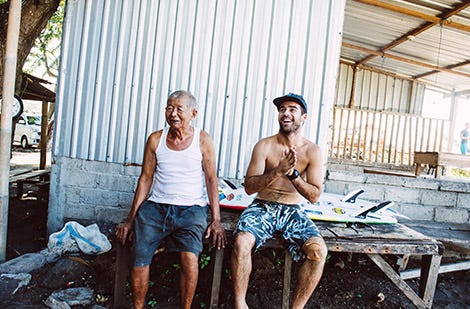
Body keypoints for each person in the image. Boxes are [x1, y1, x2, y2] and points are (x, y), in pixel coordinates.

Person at [115, 90, 226, 309]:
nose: (172, 113)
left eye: (178, 109)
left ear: (193, 113)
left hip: (191, 209)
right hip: (156, 208)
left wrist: (216, 220)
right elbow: (145, 179)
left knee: (190, 258)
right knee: (139, 255)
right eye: (168, 108)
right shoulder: (156, 139)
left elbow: (212, 179)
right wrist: (130, 219)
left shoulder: (202, 140)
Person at [231, 93, 328, 309]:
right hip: (262, 206)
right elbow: (249, 188)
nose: (286, 113)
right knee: (241, 242)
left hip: (293, 209)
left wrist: (292, 174)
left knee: (319, 251)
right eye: (282, 109)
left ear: (304, 117)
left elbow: (314, 196)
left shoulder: (312, 151)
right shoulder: (264, 146)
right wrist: (278, 171)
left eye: (293, 109)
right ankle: (240, 304)